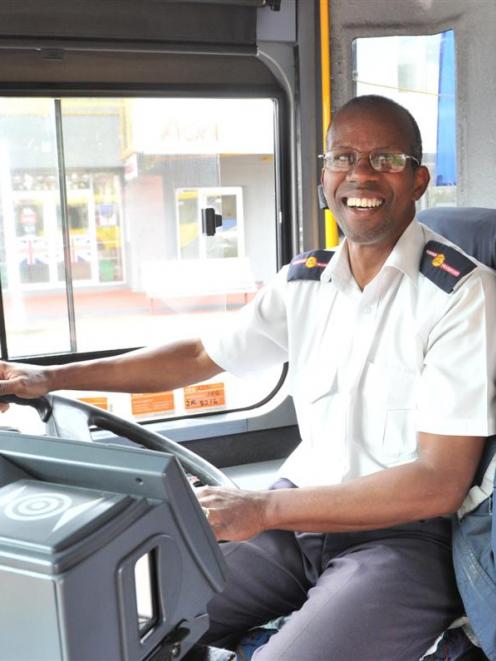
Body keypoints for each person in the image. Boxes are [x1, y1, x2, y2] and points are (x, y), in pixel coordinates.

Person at [0, 95, 495, 660]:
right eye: (343, 157)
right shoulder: (302, 283)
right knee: (129, 621)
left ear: (418, 179)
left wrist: (258, 510)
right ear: (323, 176)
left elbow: (438, 480)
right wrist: (52, 378)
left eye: (384, 159)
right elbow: (197, 358)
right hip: (294, 520)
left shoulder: (462, 295)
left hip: (401, 539)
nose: (360, 173)